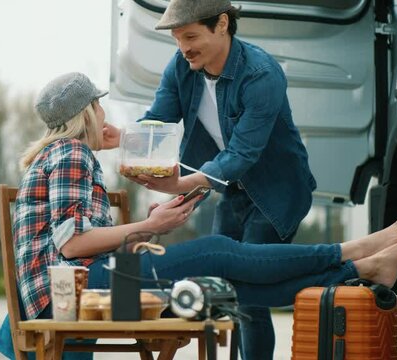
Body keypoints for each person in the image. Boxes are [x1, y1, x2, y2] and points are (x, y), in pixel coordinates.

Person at [0, 72, 397, 359]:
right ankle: (352, 251)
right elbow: (71, 245)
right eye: (99, 107)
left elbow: (75, 241)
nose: (105, 113)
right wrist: (149, 226)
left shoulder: (62, 154)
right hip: (73, 295)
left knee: (227, 288)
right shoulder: (70, 153)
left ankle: (362, 267)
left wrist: (149, 222)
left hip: (84, 286)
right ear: (87, 112)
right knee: (218, 250)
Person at [120, 1, 316, 358]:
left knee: (249, 287)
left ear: (222, 24)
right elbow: (158, 121)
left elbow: (242, 154)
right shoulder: (182, 66)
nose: (184, 48)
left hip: (276, 193)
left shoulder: (261, 74)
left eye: (191, 36)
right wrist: (125, 143)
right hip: (231, 189)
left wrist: (184, 184)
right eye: (178, 39)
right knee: (218, 281)